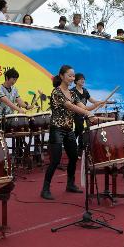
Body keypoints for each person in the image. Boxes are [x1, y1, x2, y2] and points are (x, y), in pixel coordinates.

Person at [41, 65, 104, 200]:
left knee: (74, 157)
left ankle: (70, 184)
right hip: (57, 129)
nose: (72, 78)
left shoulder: (74, 93)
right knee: (55, 160)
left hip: (69, 129)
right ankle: (45, 188)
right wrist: (87, 113)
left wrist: (97, 105)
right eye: (69, 75)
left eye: (73, 76)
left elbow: (83, 107)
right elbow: (71, 107)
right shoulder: (56, 92)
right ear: (62, 76)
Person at [71, 73, 102, 157]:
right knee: (81, 132)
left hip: (84, 114)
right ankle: (80, 152)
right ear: (76, 81)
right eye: (81, 79)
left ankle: (70, 145)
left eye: (83, 79)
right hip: (76, 114)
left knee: (76, 132)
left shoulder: (85, 90)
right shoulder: (73, 91)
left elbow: (92, 100)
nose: (83, 80)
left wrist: (99, 102)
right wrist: (96, 104)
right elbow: (83, 107)